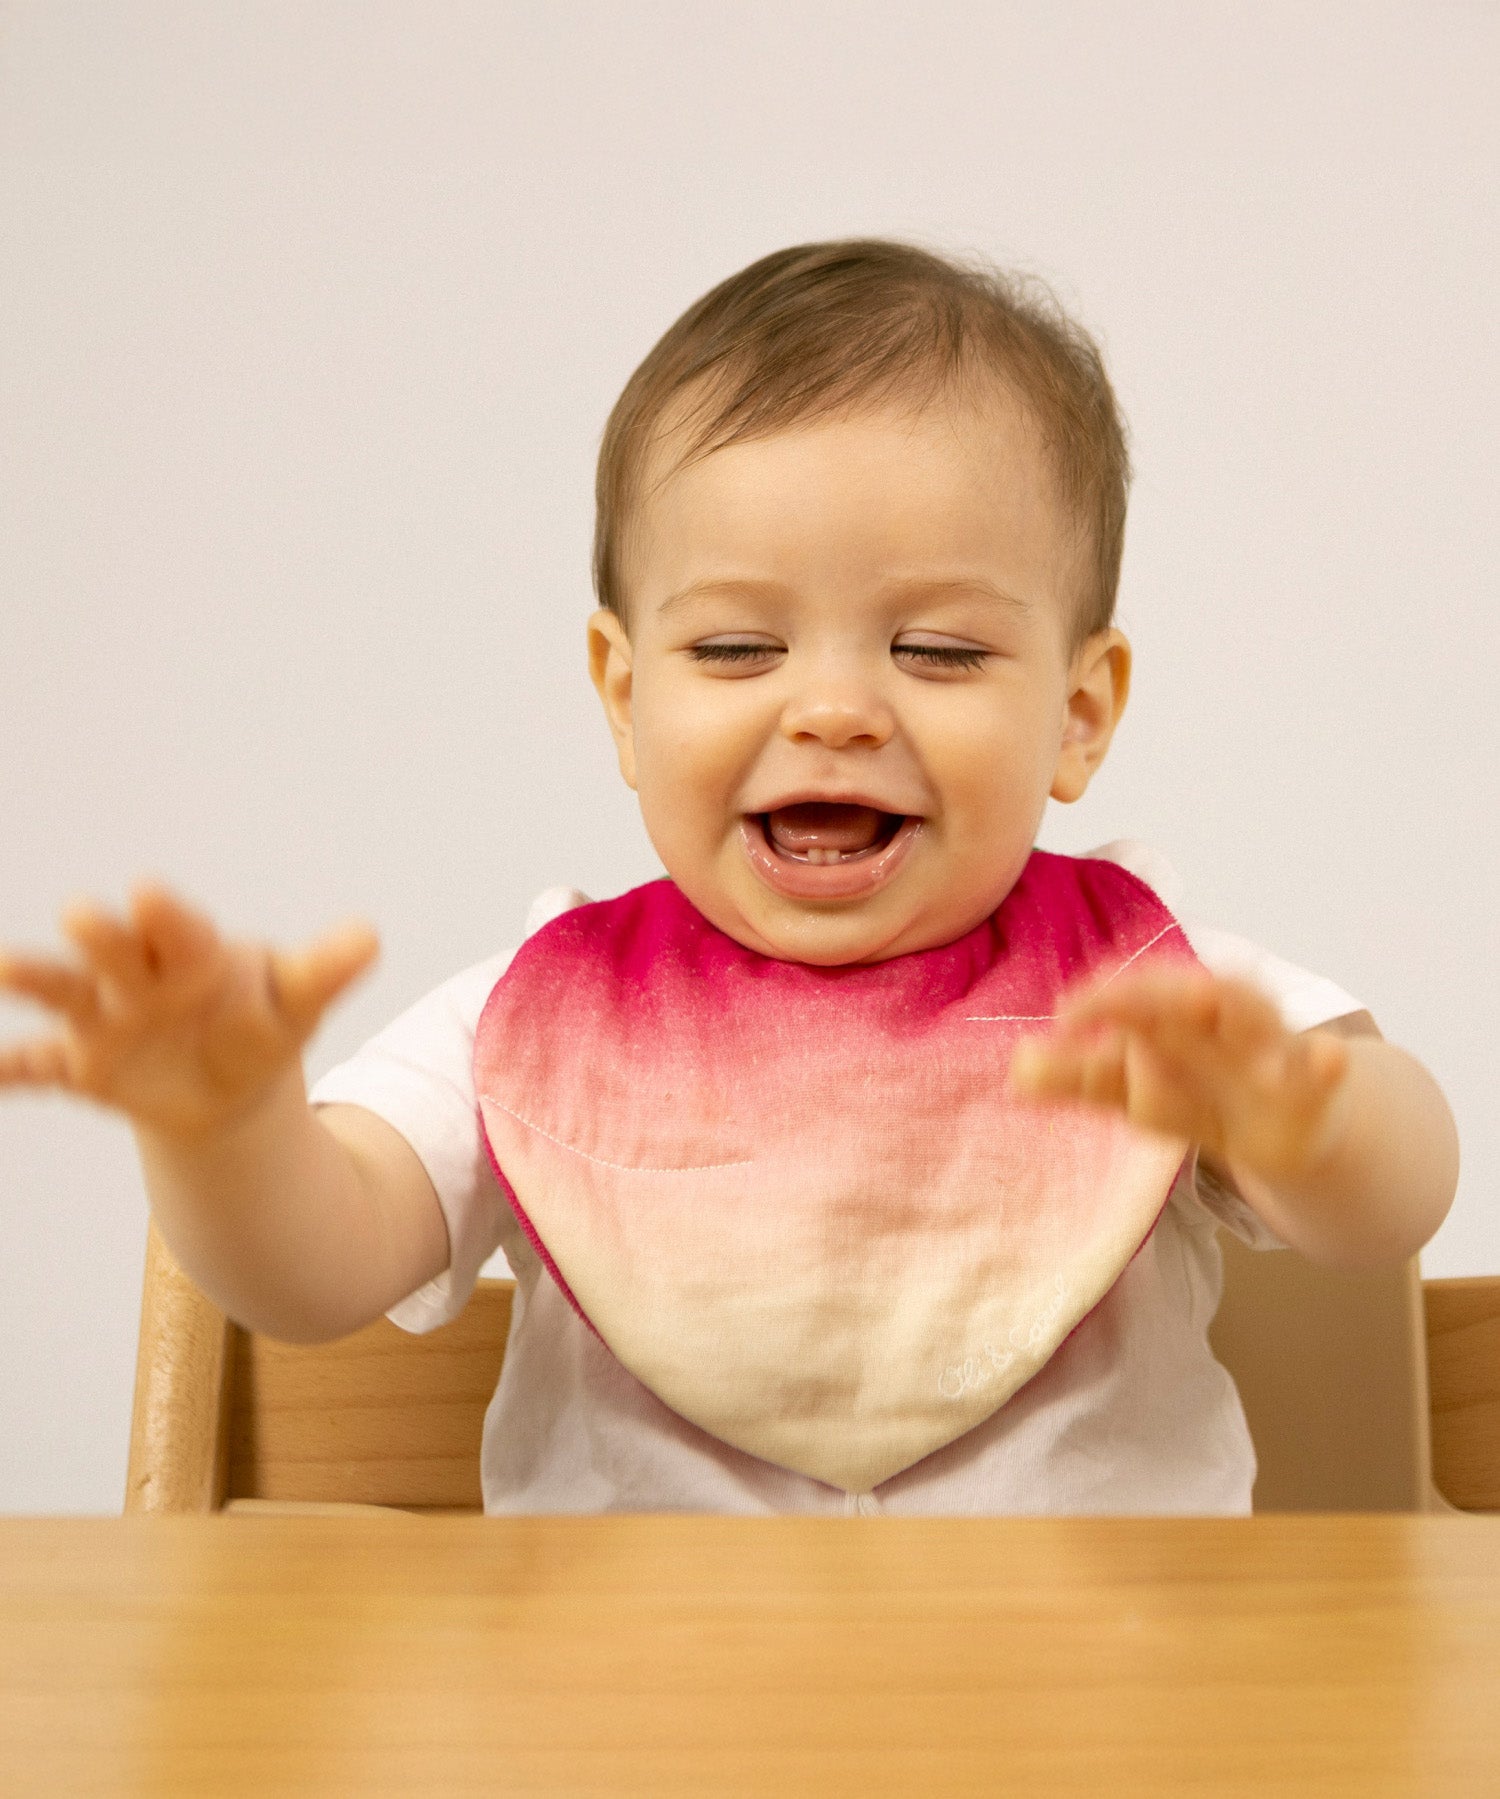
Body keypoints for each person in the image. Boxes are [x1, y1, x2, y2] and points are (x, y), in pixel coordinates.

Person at [0, 239, 1458, 1515]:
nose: (831, 708)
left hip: (1095, 1714)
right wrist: (223, 1127)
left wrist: (1304, 1118)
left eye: (937, 650)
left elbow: (1397, 1199)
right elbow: (313, 1270)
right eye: (736, 649)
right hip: (638, 1719)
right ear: (623, 697)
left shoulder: (1157, 999)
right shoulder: (545, 1011)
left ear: (1078, 715)